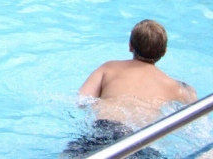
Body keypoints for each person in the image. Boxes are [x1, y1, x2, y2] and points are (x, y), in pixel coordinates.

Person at [66, 20, 197, 157]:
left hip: (105, 128)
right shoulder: (174, 87)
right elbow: (196, 107)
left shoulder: (109, 68)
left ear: (130, 46)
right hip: (141, 139)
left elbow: (82, 100)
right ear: (164, 52)